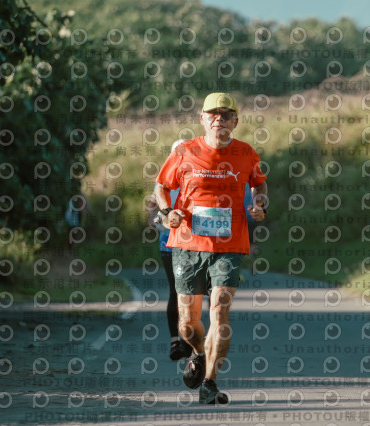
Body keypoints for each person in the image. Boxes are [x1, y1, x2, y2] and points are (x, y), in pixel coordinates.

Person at [154, 92, 268, 404]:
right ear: (202, 119)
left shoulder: (246, 153)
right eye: (213, 114)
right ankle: (198, 352)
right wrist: (167, 212)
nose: (219, 119)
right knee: (188, 323)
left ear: (235, 121)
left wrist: (260, 204)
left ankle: (210, 382)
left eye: (226, 114)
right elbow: (162, 187)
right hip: (188, 244)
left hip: (230, 245)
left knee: (219, 310)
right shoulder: (185, 151)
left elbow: (259, 183)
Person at [146, 147, 193, 361]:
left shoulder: (197, 179)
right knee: (176, 291)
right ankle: (176, 340)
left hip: (193, 245)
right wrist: (156, 217)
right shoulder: (163, 183)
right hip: (169, 245)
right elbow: (153, 212)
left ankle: (190, 338)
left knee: (191, 292)